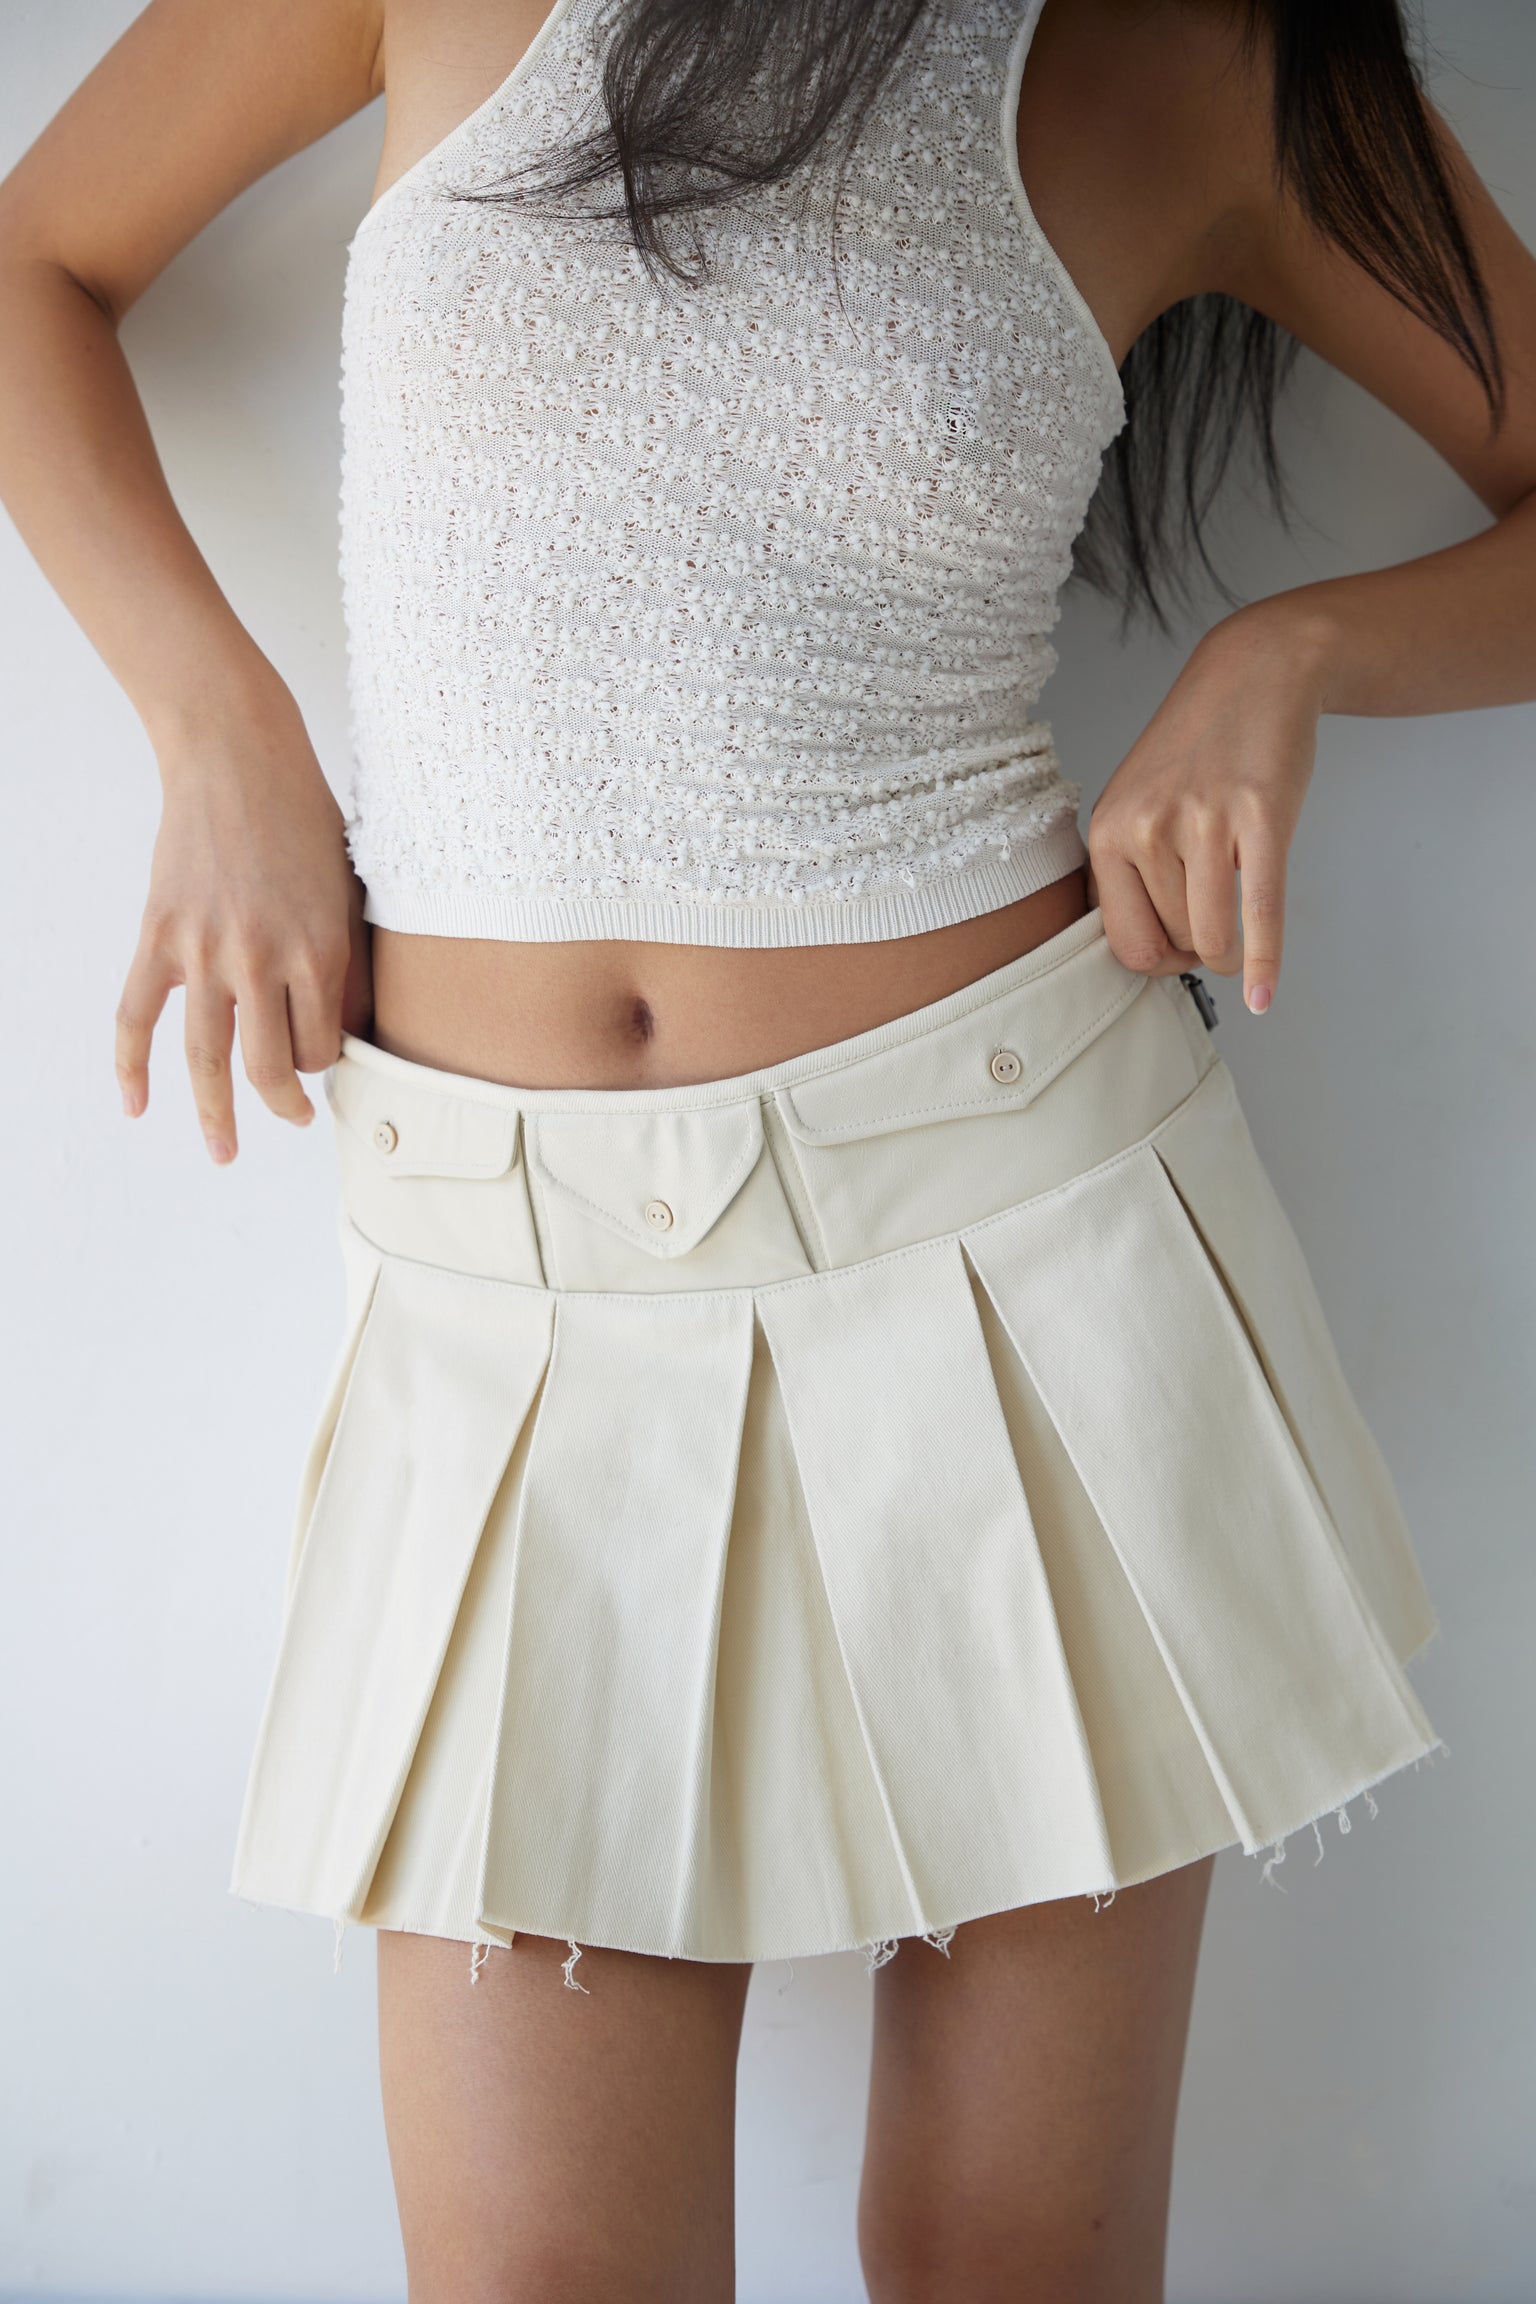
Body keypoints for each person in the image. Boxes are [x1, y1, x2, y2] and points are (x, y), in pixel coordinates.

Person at [0, 0, 1529, 2293]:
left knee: (1011, 2267)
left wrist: (1288, 655)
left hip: (1027, 1258)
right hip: (502, 1306)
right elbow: (33, 262)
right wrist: (213, 729)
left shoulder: (1200, 58)